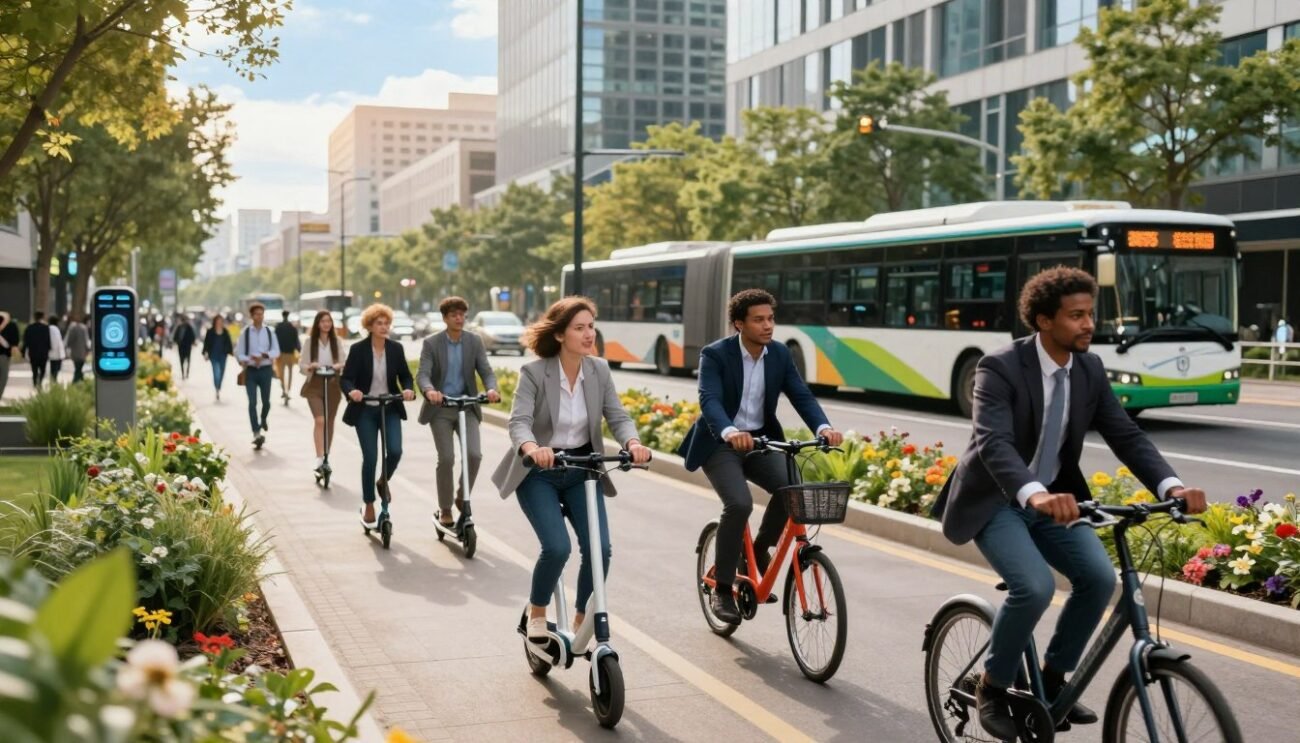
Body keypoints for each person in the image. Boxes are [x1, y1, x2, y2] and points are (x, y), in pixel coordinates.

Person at [930, 267, 1208, 740]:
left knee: (1099, 579)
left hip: (1058, 499)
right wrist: (1034, 494)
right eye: (1076, 315)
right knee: (1034, 587)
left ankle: (1053, 679)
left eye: (1090, 314)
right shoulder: (999, 367)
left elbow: (1125, 434)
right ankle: (992, 686)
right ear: (1044, 320)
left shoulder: (1090, 369)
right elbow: (994, 443)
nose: (1088, 324)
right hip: (998, 499)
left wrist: (1171, 488)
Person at [677, 288, 844, 626]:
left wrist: (824, 427)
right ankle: (723, 589)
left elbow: (801, 395)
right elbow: (709, 399)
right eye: (758, 320)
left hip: (760, 442)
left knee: (791, 489)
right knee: (739, 504)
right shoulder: (715, 354)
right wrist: (729, 431)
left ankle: (758, 549)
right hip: (720, 443)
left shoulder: (779, 354)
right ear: (739, 324)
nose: (768, 326)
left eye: (771, 319)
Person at [491, 297, 652, 643]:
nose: (589, 334)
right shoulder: (534, 372)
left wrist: (633, 442)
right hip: (539, 472)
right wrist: (533, 448)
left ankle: (581, 619)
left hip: (583, 469)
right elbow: (519, 421)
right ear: (560, 334)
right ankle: (536, 611)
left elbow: (617, 416)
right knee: (557, 548)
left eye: (591, 326)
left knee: (600, 550)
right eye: (579, 328)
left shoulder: (599, 370)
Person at [416, 296, 501, 528]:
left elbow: (486, 370)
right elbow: (423, 373)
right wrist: (430, 390)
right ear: (445, 318)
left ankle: (462, 496)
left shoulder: (474, 341)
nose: (459, 318)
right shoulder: (432, 343)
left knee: (474, 455)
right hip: (441, 409)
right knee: (446, 458)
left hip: (467, 406)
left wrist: (491, 388)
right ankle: (445, 508)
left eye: (462, 314)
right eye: (454, 315)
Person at [340, 304, 415, 526]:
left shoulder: (396, 348)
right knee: (371, 457)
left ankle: (383, 481)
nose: (384, 327)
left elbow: (406, 376)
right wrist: (352, 391)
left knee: (395, 450)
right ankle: (369, 503)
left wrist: (408, 389)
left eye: (386, 323)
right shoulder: (358, 349)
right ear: (370, 326)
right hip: (365, 409)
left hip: (389, 407)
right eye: (379, 323)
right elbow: (346, 378)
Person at [299, 310, 344, 474]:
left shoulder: (336, 341)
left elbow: (343, 361)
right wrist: (310, 366)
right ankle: (318, 458)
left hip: (332, 383)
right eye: (323, 321)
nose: (326, 324)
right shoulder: (310, 342)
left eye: (329, 321)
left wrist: (337, 366)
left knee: (329, 421)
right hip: (315, 384)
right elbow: (302, 364)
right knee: (320, 420)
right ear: (318, 324)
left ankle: (326, 456)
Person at [235, 303, 280, 447]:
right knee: (252, 402)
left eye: (261, 314)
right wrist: (250, 358)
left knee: (266, 402)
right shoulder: (246, 332)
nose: (259, 317)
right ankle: (256, 431)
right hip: (251, 370)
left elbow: (276, 351)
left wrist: (264, 355)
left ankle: (263, 418)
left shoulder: (269, 332)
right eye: (256, 314)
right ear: (252, 316)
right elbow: (239, 353)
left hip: (266, 370)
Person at [202, 314, 236, 401]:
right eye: (218, 321)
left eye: (221, 321)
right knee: (216, 372)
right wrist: (205, 353)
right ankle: (217, 388)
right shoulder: (210, 331)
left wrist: (231, 352)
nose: (219, 323)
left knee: (222, 372)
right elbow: (206, 343)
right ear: (215, 322)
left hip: (223, 356)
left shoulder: (225, 331)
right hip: (213, 355)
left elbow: (229, 342)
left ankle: (219, 386)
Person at [275, 310, 302, 404]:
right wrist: (299, 350)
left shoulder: (278, 327)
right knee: (290, 373)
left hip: (280, 354)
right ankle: (288, 391)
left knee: (281, 373)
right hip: (290, 353)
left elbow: (275, 340)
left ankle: (284, 389)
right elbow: (296, 341)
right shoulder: (292, 327)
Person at [21, 311, 51, 389]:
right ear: (42, 317)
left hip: (33, 352)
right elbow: (48, 340)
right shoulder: (46, 328)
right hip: (43, 353)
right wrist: (49, 349)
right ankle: (40, 382)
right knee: (43, 370)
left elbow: (26, 341)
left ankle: (35, 383)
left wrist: (23, 352)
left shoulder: (30, 327)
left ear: (34, 317)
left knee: (34, 369)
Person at [64, 313, 90, 383]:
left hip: (75, 351)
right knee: (79, 367)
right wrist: (87, 349)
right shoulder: (84, 328)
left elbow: (69, 340)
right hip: (82, 352)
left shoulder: (73, 328)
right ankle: (80, 380)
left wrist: (67, 346)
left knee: (77, 367)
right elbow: (86, 340)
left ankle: (76, 380)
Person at [0, 311, 20, 400]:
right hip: (4, 355)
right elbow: (14, 341)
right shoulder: (11, 325)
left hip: (4, 355)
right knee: (2, 378)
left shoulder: (11, 325)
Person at [172, 315, 196, 380]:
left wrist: (192, 342)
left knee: (188, 360)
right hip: (181, 346)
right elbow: (175, 336)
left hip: (187, 346)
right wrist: (176, 342)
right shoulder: (179, 327)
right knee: (181, 360)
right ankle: (183, 373)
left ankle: (187, 372)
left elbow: (193, 336)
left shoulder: (189, 327)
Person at [46, 314, 66, 384]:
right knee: (55, 369)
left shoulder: (52, 328)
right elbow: (56, 341)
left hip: (55, 353)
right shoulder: (53, 329)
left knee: (54, 369)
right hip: (56, 353)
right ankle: (53, 382)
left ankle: (53, 381)